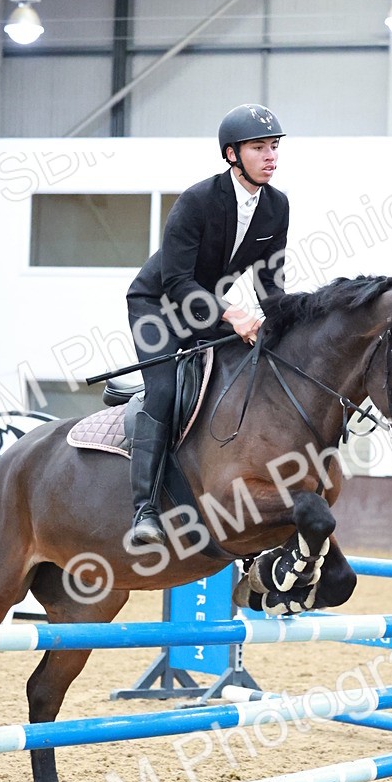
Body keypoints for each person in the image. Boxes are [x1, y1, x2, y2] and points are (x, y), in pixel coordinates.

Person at [126, 103, 289, 546]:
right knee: (162, 390)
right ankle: (143, 509)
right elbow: (176, 280)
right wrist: (230, 313)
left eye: (274, 146)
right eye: (260, 147)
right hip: (157, 306)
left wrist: (287, 322)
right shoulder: (197, 200)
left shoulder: (276, 206)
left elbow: (269, 282)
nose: (271, 156)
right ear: (232, 155)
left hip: (208, 310)